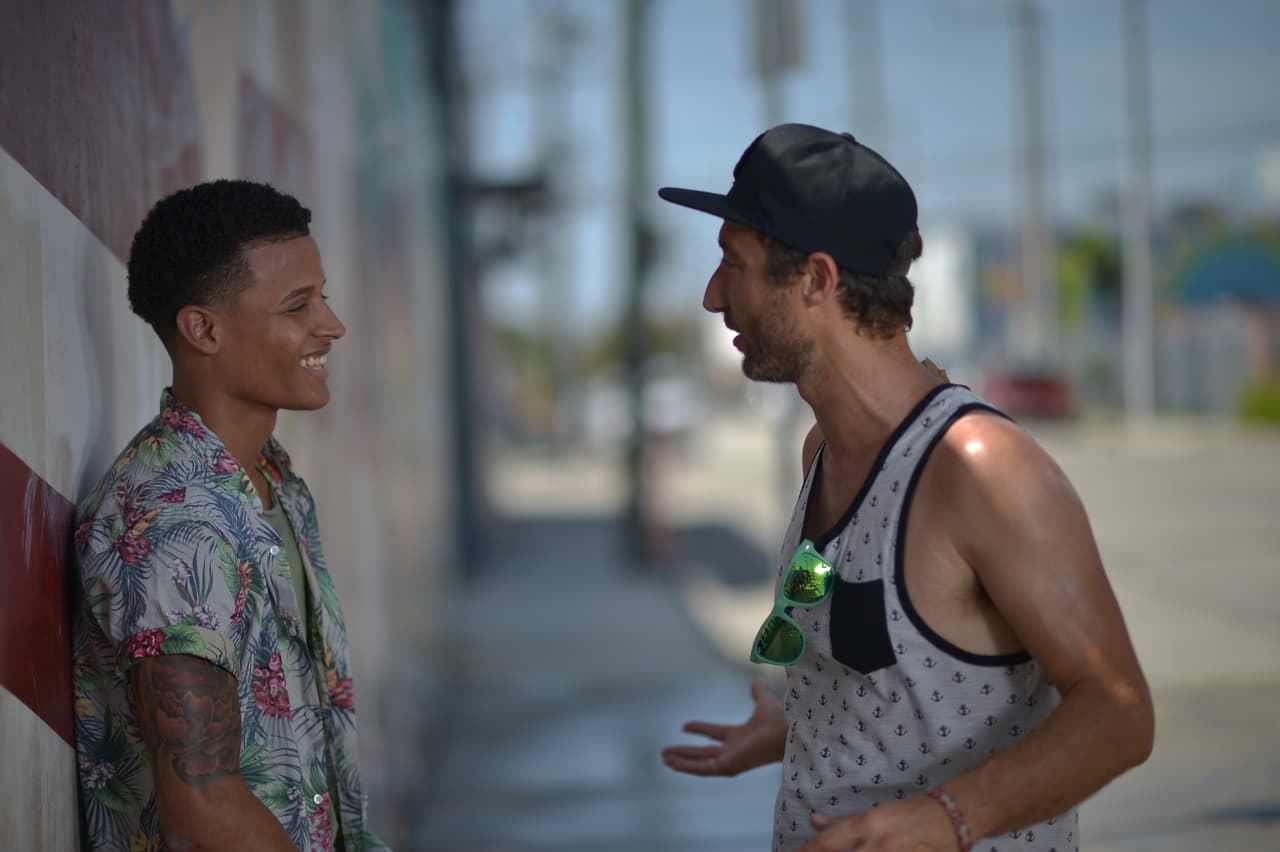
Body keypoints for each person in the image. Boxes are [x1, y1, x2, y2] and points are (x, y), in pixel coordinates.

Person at [657, 124, 1153, 851]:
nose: (711, 295)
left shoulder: (978, 466)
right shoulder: (821, 451)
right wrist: (798, 722)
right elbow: (890, 666)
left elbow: (1118, 713)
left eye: (734, 263)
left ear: (818, 280)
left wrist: (947, 819)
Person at [72, 179, 387, 851]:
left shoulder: (272, 482)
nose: (330, 325)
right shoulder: (172, 519)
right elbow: (204, 799)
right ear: (203, 329)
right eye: (298, 305)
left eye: (322, 296)